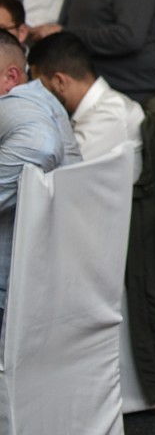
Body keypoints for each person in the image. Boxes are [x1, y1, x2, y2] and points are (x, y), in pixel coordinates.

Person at [0, 30, 82, 328]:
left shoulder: (14, 104)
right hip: (52, 282)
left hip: (12, 292)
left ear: (10, 77)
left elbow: (40, 145)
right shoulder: (40, 98)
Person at [28, 32, 145, 172]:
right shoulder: (92, 110)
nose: (38, 95)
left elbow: (61, 172)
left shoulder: (110, 112)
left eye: (40, 86)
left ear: (60, 81)